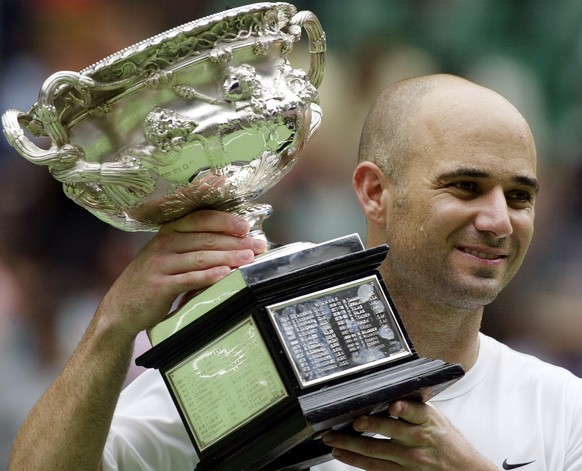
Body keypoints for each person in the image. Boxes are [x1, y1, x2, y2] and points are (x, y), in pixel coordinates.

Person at [7, 74, 582, 471]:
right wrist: (114, 326)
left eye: (520, 196)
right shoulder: (269, 336)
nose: (498, 220)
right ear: (375, 192)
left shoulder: (561, 408)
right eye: (466, 186)